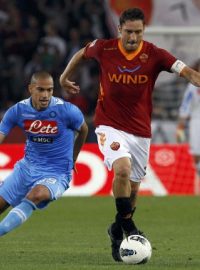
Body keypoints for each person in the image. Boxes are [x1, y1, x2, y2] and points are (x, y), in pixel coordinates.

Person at [59, 8, 200, 262]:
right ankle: (129, 230)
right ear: (119, 29)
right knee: (121, 170)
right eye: (128, 32)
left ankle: (116, 230)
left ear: (143, 31)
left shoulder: (155, 54)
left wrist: (196, 78)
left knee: (133, 193)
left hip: (140, 131)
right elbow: (81, 53)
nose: (133, 37)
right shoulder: (104, 48)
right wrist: (64, 77)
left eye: (138, 32)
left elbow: (185, 71)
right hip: (109, 124)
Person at [0, 71, 88, 236]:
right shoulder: (17, 111)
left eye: (50, 90)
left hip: (56, 172)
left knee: (37, 194)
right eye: (40, 89)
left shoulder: (67, 111)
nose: (45, 95)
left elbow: (83, 129)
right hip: (26, 168)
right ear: (30, 89)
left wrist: (74, 158)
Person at [176, 59, 200, 181]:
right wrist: (180, 125)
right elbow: (185, 105)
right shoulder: (192, 86)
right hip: (196, 121)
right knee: (196, 153)